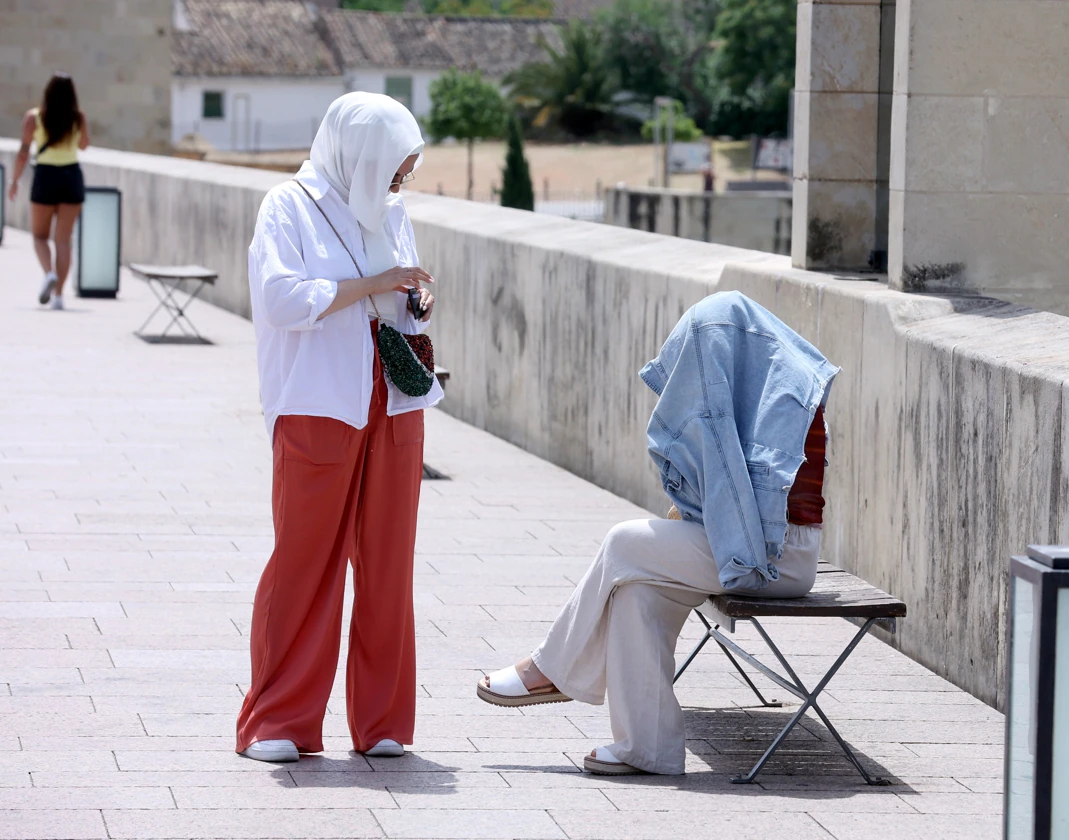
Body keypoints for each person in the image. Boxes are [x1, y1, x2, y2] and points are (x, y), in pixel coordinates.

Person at [477, 292, 838, 776]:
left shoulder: (788, 400)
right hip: (737, 545)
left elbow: (760, 512)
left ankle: (552, 668)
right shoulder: (762, 379)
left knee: (624, 542)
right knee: (637, 590)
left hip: (776, 558)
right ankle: (647, 749)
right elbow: (723, 496)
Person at [235, 92, 442, 763]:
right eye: (393, 170)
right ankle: (277, 721)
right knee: (305, 563)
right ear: (361, 154)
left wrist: (415, 295)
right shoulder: (287, 207)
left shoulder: (390, 210)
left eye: (404, 174)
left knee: (388, 565)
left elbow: (399, 300)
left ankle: (381, 722)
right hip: (317, 402)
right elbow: (281, 298)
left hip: (395, 404)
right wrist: (373, 281)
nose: (398, 184)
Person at [6, 73, 90, 310]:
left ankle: (48, 274)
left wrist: (14, 181)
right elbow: (83, 145)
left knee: (40, 236)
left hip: (45, 176)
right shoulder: (78, 117)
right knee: (63, 240)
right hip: (71, 176)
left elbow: (24, 152)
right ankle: (59, 297)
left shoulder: (34, 118)